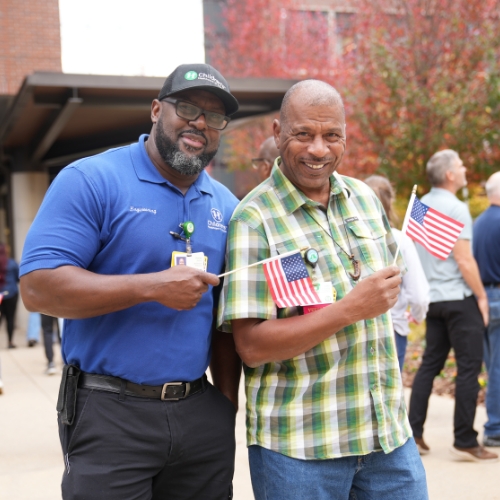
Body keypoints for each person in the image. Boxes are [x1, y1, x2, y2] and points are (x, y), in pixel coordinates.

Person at [20, 63, 242, 500]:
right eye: (187, 107)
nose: (200, 122)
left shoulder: (229, 206)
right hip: (109, 413)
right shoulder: (92, 180)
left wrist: (225, 408)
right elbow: (37, 288)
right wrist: (152, 286)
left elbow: (225, 320)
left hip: (200, 415)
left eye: (214, 117)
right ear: (157, 109)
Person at [218, 80, 428, 500]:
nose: (318, 149)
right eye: (303, 134)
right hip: (301, 451)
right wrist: (348, 309)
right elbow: (252, 346)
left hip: (387, 439)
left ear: (345, 137)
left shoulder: (365, 200)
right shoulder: (253, 218)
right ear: (278, 133)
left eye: (331, 135)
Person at [408, 150, 497, 462]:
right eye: (461, 165)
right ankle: (465, 438)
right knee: (469, 368)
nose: (465, 169)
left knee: (429, 365)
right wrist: (482, 297)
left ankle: (414, 432)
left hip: (432, 300)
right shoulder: (456, 208)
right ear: (449, 175)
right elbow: (464, 259)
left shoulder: (419, 209)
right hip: (459, 301)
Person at [364, 175, 429, 372]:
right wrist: (418, 315)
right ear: (390, 201)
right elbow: (419, 294)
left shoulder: (349, 239)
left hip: (357, 329)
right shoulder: (400, 240)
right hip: (392, 329)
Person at [473, 171, 500, 447]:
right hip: (498, 297)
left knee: (493, 367)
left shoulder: (478, 223)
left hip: (482, 298)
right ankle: (495, 428)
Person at [0, 245, 19, 348]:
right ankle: (10, 342)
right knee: (10, 319)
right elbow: (18, 277)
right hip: (11, 293)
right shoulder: (12, 263)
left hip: (0, 294)